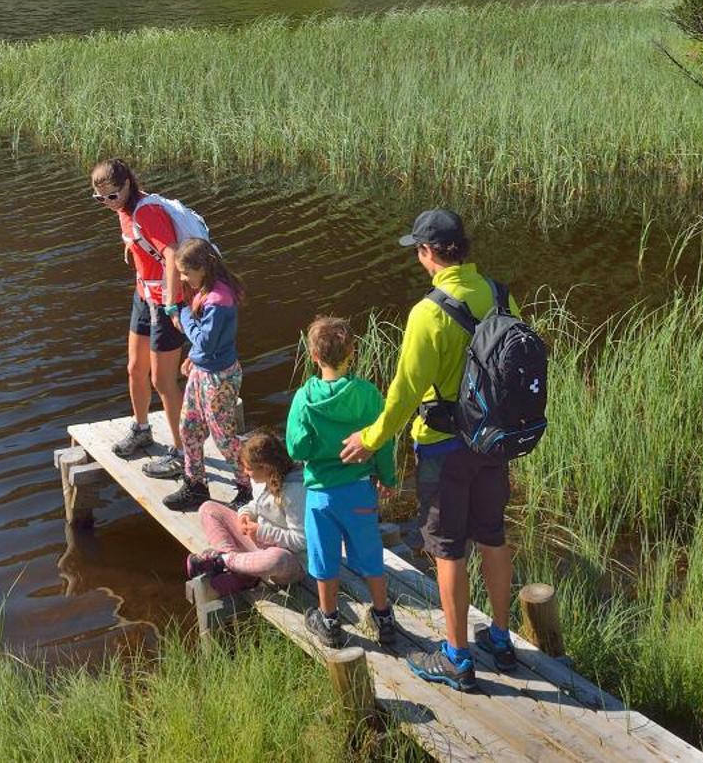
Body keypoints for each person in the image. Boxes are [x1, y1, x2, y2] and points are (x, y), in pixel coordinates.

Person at [340, 208, 517, 692]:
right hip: (494, 440)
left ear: (427, 253)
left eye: (417, 250)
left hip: (444, 446)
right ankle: (501, 639)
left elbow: (404, 393)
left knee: (448, 549)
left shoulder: (429, 312)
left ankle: (457, 658)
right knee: (494, 536)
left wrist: (371, 438)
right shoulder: (498, 294)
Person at [287, 316, 401, 651]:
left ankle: (330, 620)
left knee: (324, 558)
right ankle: (383, 617)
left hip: (321, 495)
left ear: (314, 357)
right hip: (359, 491)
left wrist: (320, 449)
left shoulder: (304, 398)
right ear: (352, 352)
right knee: (369, 553)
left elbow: (296, 447)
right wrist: (388, 477)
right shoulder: (367, 394)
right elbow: (383, 441)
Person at [90, 158, 189, 478]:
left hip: (166, 303)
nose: (107, 203)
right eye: (100, 198)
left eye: (112, 196)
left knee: (163, 380)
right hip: (143, 296)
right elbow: (143, 244)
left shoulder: (147, 211)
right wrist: (132, 249)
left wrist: (174, 305)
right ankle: (142, 428)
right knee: (135, 368)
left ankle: (181, 451)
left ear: (128, 185)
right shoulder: (125, 210)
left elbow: (172, 253)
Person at [162, 237, 247, 511]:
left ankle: (248, 486)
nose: (184, 279)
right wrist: (194, 359)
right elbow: (205, 346)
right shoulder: (206, 290)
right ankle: (196, 484)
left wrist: (182, 315)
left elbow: (207, 342)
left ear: (203, 268)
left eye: (186, 273)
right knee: (189, 427)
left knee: (224, 437)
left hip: (219, 378)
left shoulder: (219, 300)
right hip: (203, 371)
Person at [188, 430, 305, 596]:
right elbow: (257, 504)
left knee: (277, 559)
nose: (245, 472)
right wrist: (246, 513)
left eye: (249, 468)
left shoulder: (294, 491)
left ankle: (224, 561)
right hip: (259, 544)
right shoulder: (260, 479)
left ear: (265, 467)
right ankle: (242, 573)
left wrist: (262, 531)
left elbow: (302, 541)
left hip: (290, 560)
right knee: (208, 509)